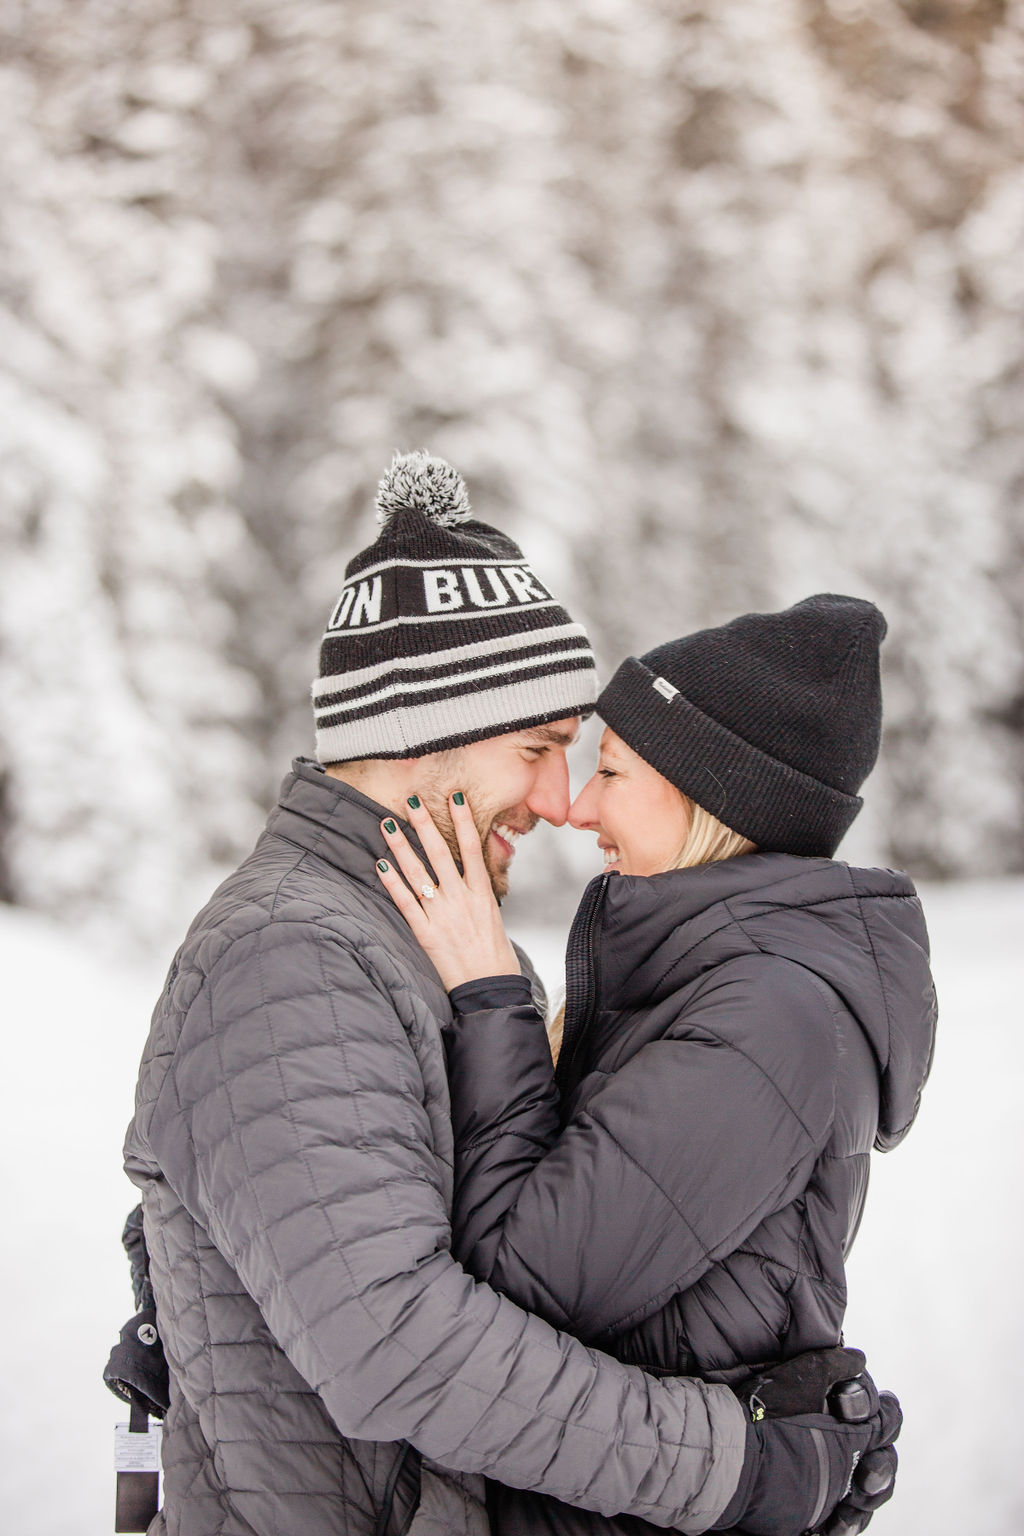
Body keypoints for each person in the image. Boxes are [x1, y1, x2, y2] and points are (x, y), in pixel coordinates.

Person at [116, 455, 903, 1536]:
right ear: (422, 733)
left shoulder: (433, 943)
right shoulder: (287, 953)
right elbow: (402, 1345)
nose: (555, 799)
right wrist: (731, 1464)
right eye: (537, 748)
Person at [374, 591, 936, 1536]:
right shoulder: (710, 985)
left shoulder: (771, 1020)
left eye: (615, 771)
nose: (579, 806)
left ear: (709, 795)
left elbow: (522, 1277)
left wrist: (488, 997)